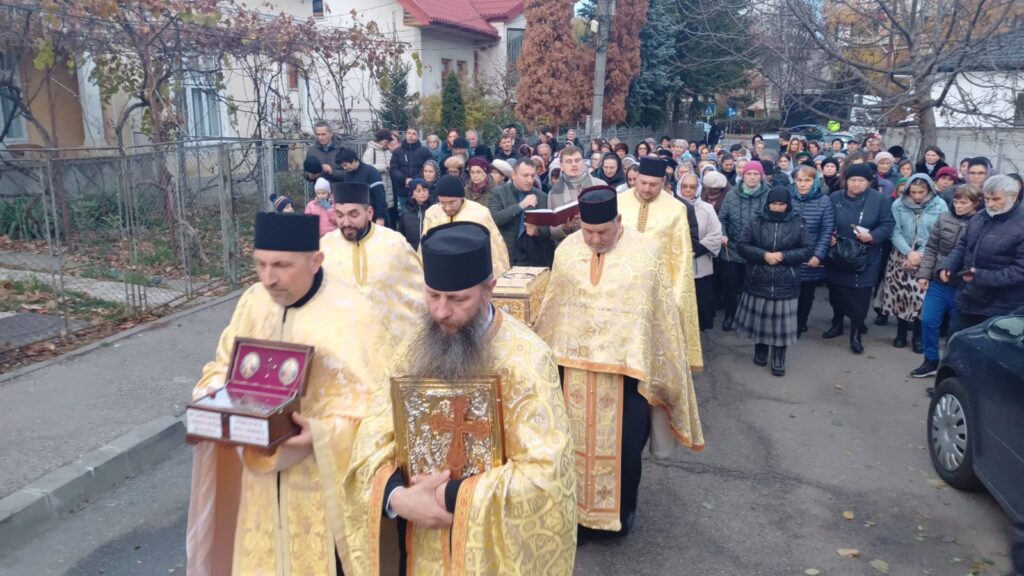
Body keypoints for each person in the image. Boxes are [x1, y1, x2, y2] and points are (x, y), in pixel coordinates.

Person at [341, 222, 577, 575]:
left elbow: (545, 474)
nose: (441, 311)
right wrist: (396, 497)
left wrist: (451, 496)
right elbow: (373, 440)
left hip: (488, 551)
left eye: (458, 299)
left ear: (489, 289)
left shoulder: (527, 359)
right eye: (432, 295)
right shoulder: (412, 348)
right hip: (416, 537)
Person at [186, 213, 389, 576]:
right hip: (259, 481)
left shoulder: (353, 313)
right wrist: (213, 396)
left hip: (318, 485)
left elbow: (378, 411)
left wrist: (321, 434)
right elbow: (222, 365)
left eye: (281, 265)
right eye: (260, 264)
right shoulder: (254, 301)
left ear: (316, 261)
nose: (269, 278)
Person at [533, 186, 704, 536]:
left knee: (624, 452)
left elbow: (660, 317)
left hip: (627, 376)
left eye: (603, 232)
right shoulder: (566, 251)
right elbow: (555, 310)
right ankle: (577, 518)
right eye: (588, 231)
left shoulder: (646, 253)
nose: (595, 240)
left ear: (619, 221)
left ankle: (620, 515)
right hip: (573, 372)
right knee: (569, 448)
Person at [618, 156, 704, 371]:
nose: (646, 189)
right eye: (642, 182)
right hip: (622, 284)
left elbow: (681, 256)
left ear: (664, 183)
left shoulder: (676, 209)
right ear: (635, 178)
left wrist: (676, 295)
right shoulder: (619, 202)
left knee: (653, 345)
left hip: (657, 287)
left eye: (653, 184)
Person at [320, 181, 426, 341]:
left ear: (369, 213)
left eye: (353, 215)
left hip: (388, 342)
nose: (346, 222)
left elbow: (418, 296)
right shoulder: (325, 247)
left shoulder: (395, 245)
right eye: (339, 215)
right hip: (341, 343)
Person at [735, 185, 814, 376]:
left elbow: (807, 249)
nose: (777, 208)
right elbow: (742, 245)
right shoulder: (756, 221)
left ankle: (779, 357)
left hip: (786, 279)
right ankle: (760, 350)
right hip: (759, 277)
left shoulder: (798, 222)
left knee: (781, 326)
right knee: (760, 320)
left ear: (788, 205)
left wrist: (783, 256)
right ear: (768, 203)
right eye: (774, 204)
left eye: (781, 204)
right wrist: (763, 255)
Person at [823, 164, 895, 354]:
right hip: (839, 253)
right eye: (852, 180)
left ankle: (856, 333)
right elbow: (827, 220)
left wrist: (873, 236)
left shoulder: (880, 200)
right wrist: (829, 235)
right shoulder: (835, 197)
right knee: (837, 291)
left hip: (866, 255)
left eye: (861, 180)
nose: (856, 184)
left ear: (869, 182)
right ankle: (837, 323)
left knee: (860, 296)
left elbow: (888, 224)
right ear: (846, 181)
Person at [911, 184, 982, 378]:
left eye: (963, 203)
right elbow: (932, 248)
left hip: (963, 286)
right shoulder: (944, 218)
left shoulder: (981, 223)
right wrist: (924, 274)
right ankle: (930, 360)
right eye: (956, 202)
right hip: (938, 281)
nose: (958, 206)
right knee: (928, 321)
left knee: (956, 331)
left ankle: (950, 369)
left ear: (976, 203)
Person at [938, 175, 1024, 335]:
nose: (990, 204)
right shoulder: (979, 217)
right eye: (987, 199)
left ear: (1013, 196)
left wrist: (978, 276)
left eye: (996, 199)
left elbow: (1019, 272)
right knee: (956, 342)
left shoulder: (1021, 224)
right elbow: (963, 245)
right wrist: (948, 265)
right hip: (968, 299)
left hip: (1001, 309)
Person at [880, 174, 948, 351]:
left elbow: (941, 233)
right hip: (901, 255)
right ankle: (901, 333)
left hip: (928, 256)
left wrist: (919, 254)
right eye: (913, 192)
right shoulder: (898, 204)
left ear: (929, 190)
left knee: (921, 298)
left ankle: (918, 336)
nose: (917, 196)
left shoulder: (940, 205)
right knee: (901, 295)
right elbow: (894, 230)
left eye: (921, 192)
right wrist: (908, 252)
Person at [718, 160, 770, 332]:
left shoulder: (768, 194)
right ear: (742, 175)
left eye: (756, 174)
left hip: (757, 249)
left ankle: (752, 318)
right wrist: (722, 233)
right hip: (732, 248)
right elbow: (722, 218)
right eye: (749, 174)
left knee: (753, 286)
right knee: (730, 284)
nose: (752, 177)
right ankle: (730, 315)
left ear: (761, 176)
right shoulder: (731, 195)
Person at [421, 174, 510, 276]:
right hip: (442, 272)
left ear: (461, 198)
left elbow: (494, 249)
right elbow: (425, 249)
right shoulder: (432, 214)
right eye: (442, 203)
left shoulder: (479, 213)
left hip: (473, 272)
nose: (447, 208)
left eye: (452, 203)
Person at [791, 165, 835, 335]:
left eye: (807, 180)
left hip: (810, 254)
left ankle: (801, 322)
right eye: (799, 180)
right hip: (789, 253)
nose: (803, 184)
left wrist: (818, 255)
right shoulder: (789, 197)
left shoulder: (824, 201)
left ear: (814, 181)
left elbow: (826, 231)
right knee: (788, 291)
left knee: (806, 292)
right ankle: (787, 322)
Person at [488, 158, 553, 266]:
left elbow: (549, 229)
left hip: (533, 256)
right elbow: (494, 219)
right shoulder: (498, 193)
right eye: (525, 175)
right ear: (514, 175)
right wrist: (521, 206)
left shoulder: (542, 196)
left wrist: (538, 231)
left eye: (532, 176)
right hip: (506, 253)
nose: (530, 180)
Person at [679, 173, 723, 331]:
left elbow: (716, 233)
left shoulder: (706, 208)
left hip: (700, 263)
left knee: (700, 304)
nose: (688, 190)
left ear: (698, 189)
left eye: (692, 187)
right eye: (684, 186)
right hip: (677, 264)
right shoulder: (671, 208)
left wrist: (699, 247)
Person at [547, 146, 605, 243]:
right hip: (569, 246)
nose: (574, 164)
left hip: (598, 242)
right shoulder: (554, 193)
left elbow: (611, 220)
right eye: (569, 161)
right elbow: (552, 232)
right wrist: (565, 227)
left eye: (577, 160)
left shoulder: (600, 186)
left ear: (583, 162)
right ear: (561, 166)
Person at [337, 148, 388, 227]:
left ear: (353, 160)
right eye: (342, 166)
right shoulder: (347, 175)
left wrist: (380, 218)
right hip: (358, 217)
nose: (344, 168)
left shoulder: (371, 172)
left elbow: (380, 196)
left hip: (374, 216)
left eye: (345, 165)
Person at [390, 128, 434, 215]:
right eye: (409, 133)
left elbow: (429, 166)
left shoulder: (424, 151)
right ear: (405, 135)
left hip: (420, 189)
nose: (411, 135)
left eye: (414, 133)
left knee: (420, 214)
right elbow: (394, 169)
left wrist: (414, 180)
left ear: (417, 137)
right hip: (402, 189)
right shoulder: (397, 151)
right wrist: (405, 180)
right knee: (404, 214)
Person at [364, 129, 397, 228]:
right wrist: (382, 167)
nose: (387, 143)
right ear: (381, 140)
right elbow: (366, 168)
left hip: (389, 186)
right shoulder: (370, 151)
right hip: (377, 187)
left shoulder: (388, 151)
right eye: (386, 141)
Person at [397, 178, 436, 250]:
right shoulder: (406, 213)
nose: (422, 193)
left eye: (425, 190)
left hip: (430, 251)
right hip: (412, 251)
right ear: (412, 193)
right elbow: (401, 235)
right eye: (418, 191)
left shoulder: (434, 210)